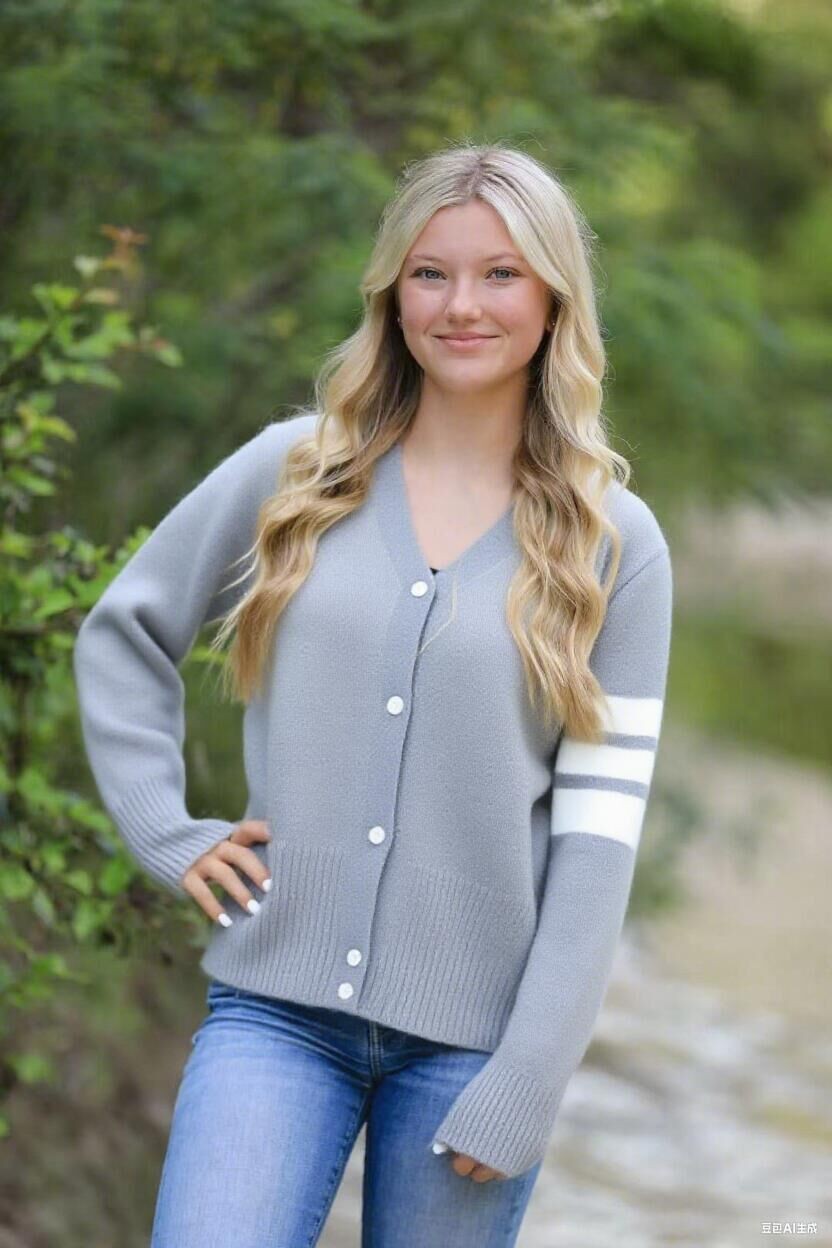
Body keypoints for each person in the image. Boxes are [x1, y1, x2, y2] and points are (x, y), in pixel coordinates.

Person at [73, 141, 673, 1247]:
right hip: (273, 1013)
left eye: (500, 274)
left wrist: (531, 1073)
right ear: (393, 295)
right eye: (430, 273)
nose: (461, 305)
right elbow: (125, 634)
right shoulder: (295, 471)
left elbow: (597, 847)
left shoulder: (614, 545)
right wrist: (166, 828)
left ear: (553, 299)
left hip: (473, 1050)